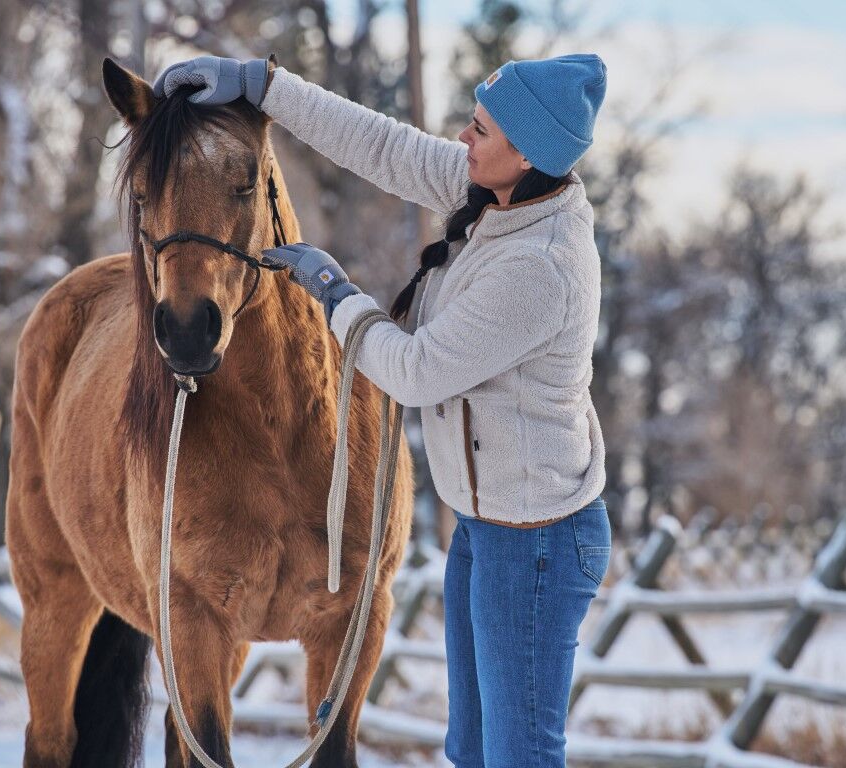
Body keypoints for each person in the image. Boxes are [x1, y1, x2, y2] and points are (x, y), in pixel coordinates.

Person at [155, 52, 611, 768]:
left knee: (520, 754)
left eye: (479, 129)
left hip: (538, 543)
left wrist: (336, 294)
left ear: (524, 154)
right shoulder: (503, 190)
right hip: (490, 525)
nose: (463, 139)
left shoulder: (540, 266)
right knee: (475, 749)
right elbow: (382, 145)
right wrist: (263, 84)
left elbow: (417, 371)